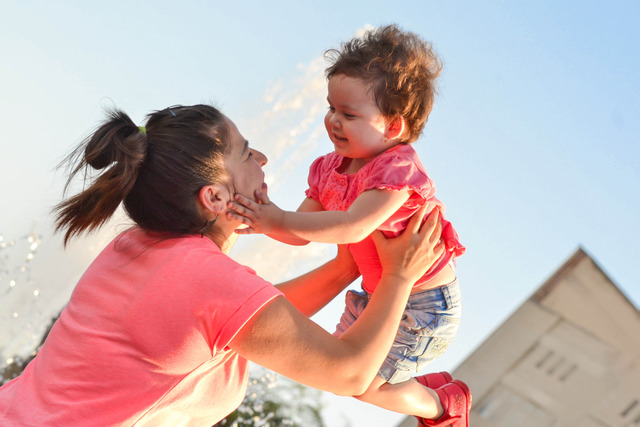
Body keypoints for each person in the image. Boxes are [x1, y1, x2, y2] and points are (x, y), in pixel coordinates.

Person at [0, 104, 448, 426]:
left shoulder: (135, 247)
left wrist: (340, 271)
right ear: (214, 197)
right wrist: (398, 278)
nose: (264, 160)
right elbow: (348, 373)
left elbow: (240, 323)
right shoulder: (206, 280)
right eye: (247, 153)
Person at [227, 25, 471, 426]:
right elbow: (299, 232)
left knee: (360, 384)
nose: (333, 122)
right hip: (379, 290)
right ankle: (423, 388)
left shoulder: (398, 170)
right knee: (332, 367)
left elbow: (353, 227)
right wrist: (264, 218)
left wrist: (278, 218)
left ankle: (445, 405)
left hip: (425, 302)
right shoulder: (328, 169)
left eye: (349, 114)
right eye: (331, 108)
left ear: (393, 126)